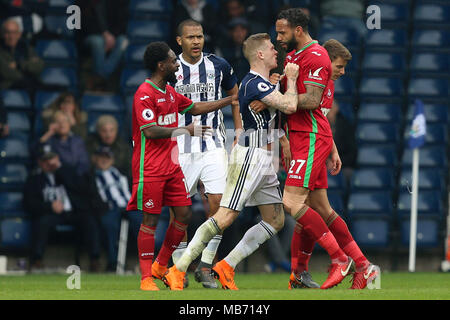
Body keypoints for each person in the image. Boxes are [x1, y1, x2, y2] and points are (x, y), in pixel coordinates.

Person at [163, 33, 300, 291]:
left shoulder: (265, 84)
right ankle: (177, 269)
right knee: (226, 215)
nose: (275, 52)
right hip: (249, 155)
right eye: (271, 48)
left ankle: (225, 266)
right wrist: (291, 79)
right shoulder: (253, 84)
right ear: (259, 54)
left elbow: (278, 111)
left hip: (264, 156)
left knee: (275, 219)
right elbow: (290, 106)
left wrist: (279, 88)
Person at [125, 41, 237, 291]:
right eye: (172, 61)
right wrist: (184, 130)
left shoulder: (168, 91)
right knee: (150, 221)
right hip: (150, 167)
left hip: (171, 166)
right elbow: (151, 131)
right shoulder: (144, 93)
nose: (177, 64)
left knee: (184, 214)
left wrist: (229, 100)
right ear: (161, 65)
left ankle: (161, 264)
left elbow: (195, 107)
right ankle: (146, 278)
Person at [287, 39, 378, 289]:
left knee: (302, 207)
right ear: (326, 62)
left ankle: (346, 262)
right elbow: (319, 119)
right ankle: (360, 266)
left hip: (311, 144)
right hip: (311, 143)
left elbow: (307, 115)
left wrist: (331, 148)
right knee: (313, 210)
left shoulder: (321, 84)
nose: (342, 71)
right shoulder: (319, 79)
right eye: (339, 65)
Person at [274, 8, 353, 290]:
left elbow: (312, 100)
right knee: (310, 205)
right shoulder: (294, 56)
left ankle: (341, 259)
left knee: (291, 203)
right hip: (297, 136)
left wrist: (280, 95)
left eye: (282, 32)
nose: (278, 37)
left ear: (298, 30)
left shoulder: (317, 55)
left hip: (310, 136)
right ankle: (300, 274)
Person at [166, 19, 241, 289]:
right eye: (190, 37)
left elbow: (235, 96)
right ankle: (179, 268)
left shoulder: (218, 65)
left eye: (199, 36)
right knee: (179, 211)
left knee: (220, 205)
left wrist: (239, 131)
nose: (196, 41)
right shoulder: (169, 68)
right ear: (179, 41)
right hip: (180, 148)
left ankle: (207, 266)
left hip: (213, 144)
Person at [24, 144, 107, 272]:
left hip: (73, 212)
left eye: (52, 159)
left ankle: (94, 260)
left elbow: (81, 189)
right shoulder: (34, 179)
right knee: (41, 223)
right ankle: (37, 260)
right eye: (45, 160)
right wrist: (49, 206)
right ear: (39, 162)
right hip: (51, 213)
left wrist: (60, 169)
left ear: (57, 158)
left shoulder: (70, 172)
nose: (49, 163)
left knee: (89, 220)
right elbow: (29, 203)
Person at [92, 146, 131, 272]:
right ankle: (113, 263)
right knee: (109, 226)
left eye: (107, 158)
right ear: (95, 159)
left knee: (145, 223)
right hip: (108, 208)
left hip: (129, 206)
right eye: (101, 158)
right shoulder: (90, 176)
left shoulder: (121, 174)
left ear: (112, 160)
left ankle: (149, 261)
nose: (104, 161)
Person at [75, 0, 129, 89]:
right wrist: (105, 34)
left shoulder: (118, 2)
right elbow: (82, 24)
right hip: (90, 36)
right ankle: (102, 81)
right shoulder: (84, 2)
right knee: (98, 42)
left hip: (113, 36)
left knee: (123, 41)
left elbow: (122, 23)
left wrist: (112, 36)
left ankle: (99, 78)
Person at [39, 111, 90, 176]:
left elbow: (84, 163)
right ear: (53, 124)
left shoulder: (78, 140)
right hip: (57, 178)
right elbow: (37, 152)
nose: (62, 124)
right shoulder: (49, 140)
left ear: (69, 124)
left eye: (64, 121)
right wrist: (49, 133)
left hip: (76, 178)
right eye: (58, 122)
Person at [0, 18, 44, 90]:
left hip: (29, 86)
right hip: (7, 89)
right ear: (2, 34)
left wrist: (18, 65)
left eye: (14, 33)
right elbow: (6, 73)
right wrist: (28, 70)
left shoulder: (26, 48)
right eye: (8, 33)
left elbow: (39, 66)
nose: (11, 37)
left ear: (19, 34)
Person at [86, 114, 132, 181]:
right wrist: (95, 162)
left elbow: (130, 171)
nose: (108, 135)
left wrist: (112, 163)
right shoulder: (89, 145)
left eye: (112, 130)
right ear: (98, 131)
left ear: (116, 131)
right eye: (104, 131)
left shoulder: (124, 148)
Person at [215, 17, 250, 83]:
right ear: (230, 32)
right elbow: (219, 69)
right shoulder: (223, 47)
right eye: (236, 31)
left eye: (242, 30)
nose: (239, 34)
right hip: (229, 85)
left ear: (246, 31)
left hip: (249, 83)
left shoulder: (253, 47)